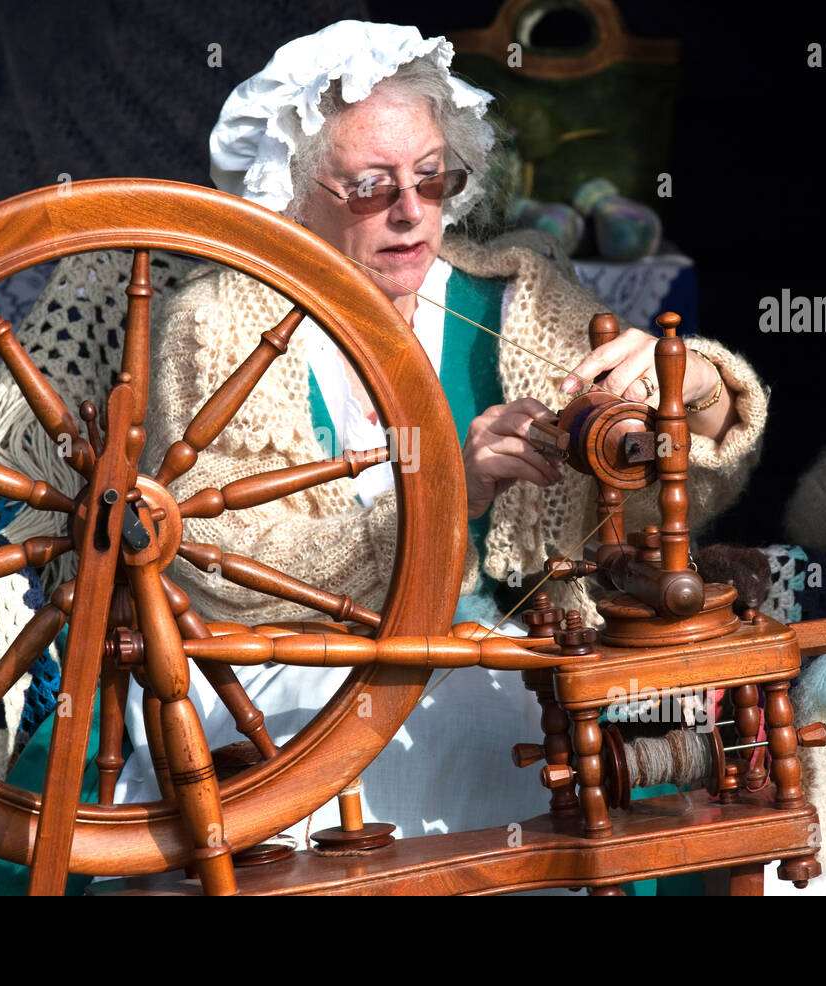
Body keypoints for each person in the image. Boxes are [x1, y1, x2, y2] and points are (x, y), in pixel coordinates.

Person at [112, 20, 770, 859]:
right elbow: (216, 564)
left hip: (513, 664)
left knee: (536, 707)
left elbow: (669, 477)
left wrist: (697, 389)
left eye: (432, 177)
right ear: (290, 187)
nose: (412, 210)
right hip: (288, 672)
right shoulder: (215, 321)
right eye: (371, 185)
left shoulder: (521, 294)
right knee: (481, 717)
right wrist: (450, 490)